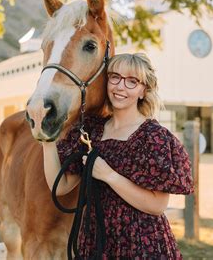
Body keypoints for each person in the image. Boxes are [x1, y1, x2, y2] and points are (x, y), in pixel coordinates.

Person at [42, 53, 194, 259]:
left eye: (132, 81)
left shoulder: (153, 137)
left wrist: (108, 175)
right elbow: (60, 187)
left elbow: (157, 206)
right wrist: (47, 140)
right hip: (96, 239)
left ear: (143, 90)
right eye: (115, 77)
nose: (120, 87)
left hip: (140, 242)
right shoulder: (91, 131)